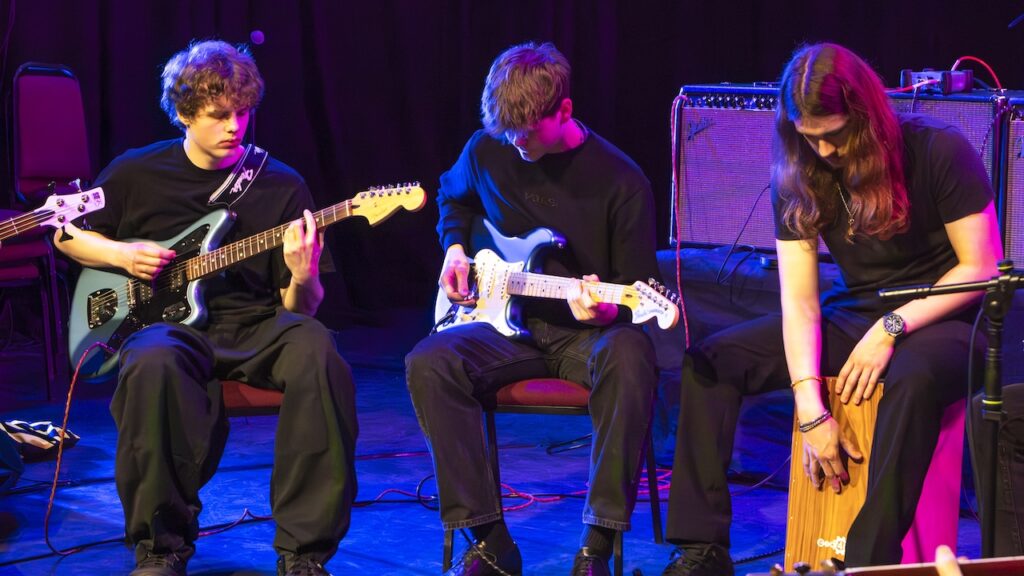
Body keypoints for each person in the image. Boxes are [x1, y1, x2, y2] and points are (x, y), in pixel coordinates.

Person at [660, 42, 1002, 575]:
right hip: (859, 313)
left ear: (865, 118)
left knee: (910, 381)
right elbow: (799, 302)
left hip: (949, 317)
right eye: (809, 137)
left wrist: (894, 325)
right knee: (712, 361)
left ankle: (865, 562)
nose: (822, 151)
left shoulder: (938, 150)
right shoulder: (800, 174)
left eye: (835, 136)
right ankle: (700, 549)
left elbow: (981, 266)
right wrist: (810, 409)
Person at [55, 40, 357, 576]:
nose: (234, 126)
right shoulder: (135, 172)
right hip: (170, 329)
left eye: (243, 113)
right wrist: (121, 254)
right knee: (150, 361)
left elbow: (301, 308)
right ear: (183, 113)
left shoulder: (283, 184)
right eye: (219, 115)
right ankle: (160, 548)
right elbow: (67, 235)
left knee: (317, 350)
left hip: (257, 322)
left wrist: (305, 271)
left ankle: (304, 554)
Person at [405, 41, 660, 576]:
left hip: (586, 334)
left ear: (563, 110)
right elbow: (454, 197)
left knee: (631, 355)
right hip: (501, 326)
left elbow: (638, 291)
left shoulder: (622, 180)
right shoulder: (486, 149)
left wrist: (606, 311)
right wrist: (455, 250)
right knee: (428, 362)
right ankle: (489, 542)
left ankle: (597, 546)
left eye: (527, 132)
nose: (516, 144)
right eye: (507, 134)